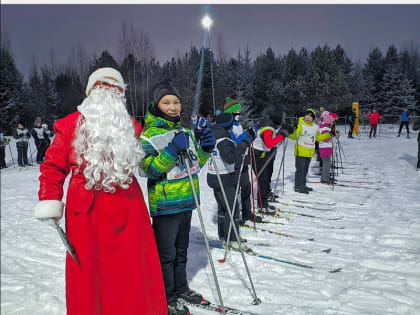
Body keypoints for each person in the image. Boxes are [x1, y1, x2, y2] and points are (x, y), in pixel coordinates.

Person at [33, 67, 167, 315]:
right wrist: (50, 200)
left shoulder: (131, 128)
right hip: (86, 214)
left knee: (131, 270)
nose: (108, 92)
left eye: (114, 88)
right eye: (102, 87)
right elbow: (52, 166)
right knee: (89, 272)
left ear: (120, 95)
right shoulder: (69, 126)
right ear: (91, 93)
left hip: (128, 209)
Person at [140, 82, 215, 315]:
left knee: (181, 251)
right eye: (167, 102)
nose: (173, 107)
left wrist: (205, 149)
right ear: (156, 105)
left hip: (187, 199)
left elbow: (193, 166)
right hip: (165, 204)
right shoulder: (148, 135)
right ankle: (167, 296)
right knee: (166, 255)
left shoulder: (185, 131)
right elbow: (149, 170)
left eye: (176, 102)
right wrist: (171, 151)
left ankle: (180, 288)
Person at [207, 112, 254, 248]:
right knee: (232, 207)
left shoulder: (214, 134)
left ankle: (223, 235)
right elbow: (230, 158)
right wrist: (243, 145)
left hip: (215, 176)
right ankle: (232, 239)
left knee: (223, 207)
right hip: (224, 176)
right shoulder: (224, 139)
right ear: (229, 125)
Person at [223, 97, 262, 224]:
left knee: (246, 187)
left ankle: (247, 212)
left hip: (243, 159)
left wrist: (251, 134)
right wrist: (245, 137)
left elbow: (242, 139)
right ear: (230, 112)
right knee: (235, 189)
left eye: (240, 111)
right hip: (234, 161)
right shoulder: (228, 128)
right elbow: (233, 142)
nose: (239, 114)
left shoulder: (238, 125)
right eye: (236, 111)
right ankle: (235, 215)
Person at [289, 108, 332, 194]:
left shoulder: (315, 127)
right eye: (306, 115)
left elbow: (318, 138)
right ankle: (298, 187)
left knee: (305, 170)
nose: (308, 117)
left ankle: (303, 185)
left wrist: (329, 134)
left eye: (310, 116)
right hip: (300, 151)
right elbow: (294, 136)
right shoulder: (300, 125)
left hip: (309, 152)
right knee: (300, 170)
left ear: (313, 118)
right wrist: (293, 130)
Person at [253, 111, 288, 213]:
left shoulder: (269, 125)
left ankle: (264, 202)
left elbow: (273, 142)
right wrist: (281, 135)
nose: (283, 121)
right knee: (262, 181)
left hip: (262, 155)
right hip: (258, 156)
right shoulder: (267, 128)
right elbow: (269, 143)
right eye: (281, 119)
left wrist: (282, 133)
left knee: (265, 179)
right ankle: (262, 206)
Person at [319, 111, 338, 183]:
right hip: (324, 147)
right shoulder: (324, 126)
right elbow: (325, 138)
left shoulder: (327, 126)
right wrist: (331, 134)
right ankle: (324, 178)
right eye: (332, 121)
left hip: (327, 146)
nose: (332, 122)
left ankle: (327, 177)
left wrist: (333, 132)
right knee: (326, 163)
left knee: (328, 163)